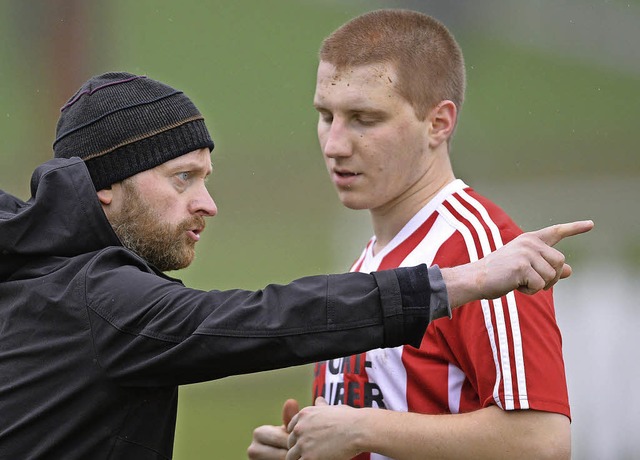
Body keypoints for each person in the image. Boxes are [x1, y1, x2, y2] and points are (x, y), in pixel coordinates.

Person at [0, 72, 590, 460]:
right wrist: (465, 280)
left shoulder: (30, 273)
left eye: (206, 178)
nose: (208, 203)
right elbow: (269, 319)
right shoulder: (97, 300)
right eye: (183, 177)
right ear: (106, 186)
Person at [248, 9, 591, 460]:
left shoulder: (485, 252)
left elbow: (542, 442)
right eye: (325, 115)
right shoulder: (373, 255)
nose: (334, 144)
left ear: (438, 123)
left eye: (363, 118)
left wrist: (362, 430)